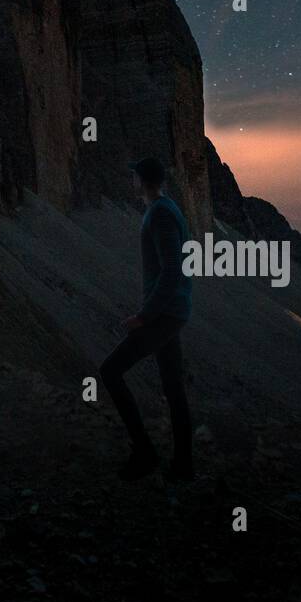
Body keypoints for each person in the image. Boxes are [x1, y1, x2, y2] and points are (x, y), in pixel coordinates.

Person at [99, 156, 194, 482]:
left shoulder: (161, 214)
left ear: (142, 180)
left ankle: (145, 453)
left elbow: (171, 269)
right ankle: (183, 465)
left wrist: (145, 315)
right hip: (173, 311)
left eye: (134, 177)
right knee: (173, 386)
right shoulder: (169, 208)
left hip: (163, 314)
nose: (131, 182)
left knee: (110, 371)